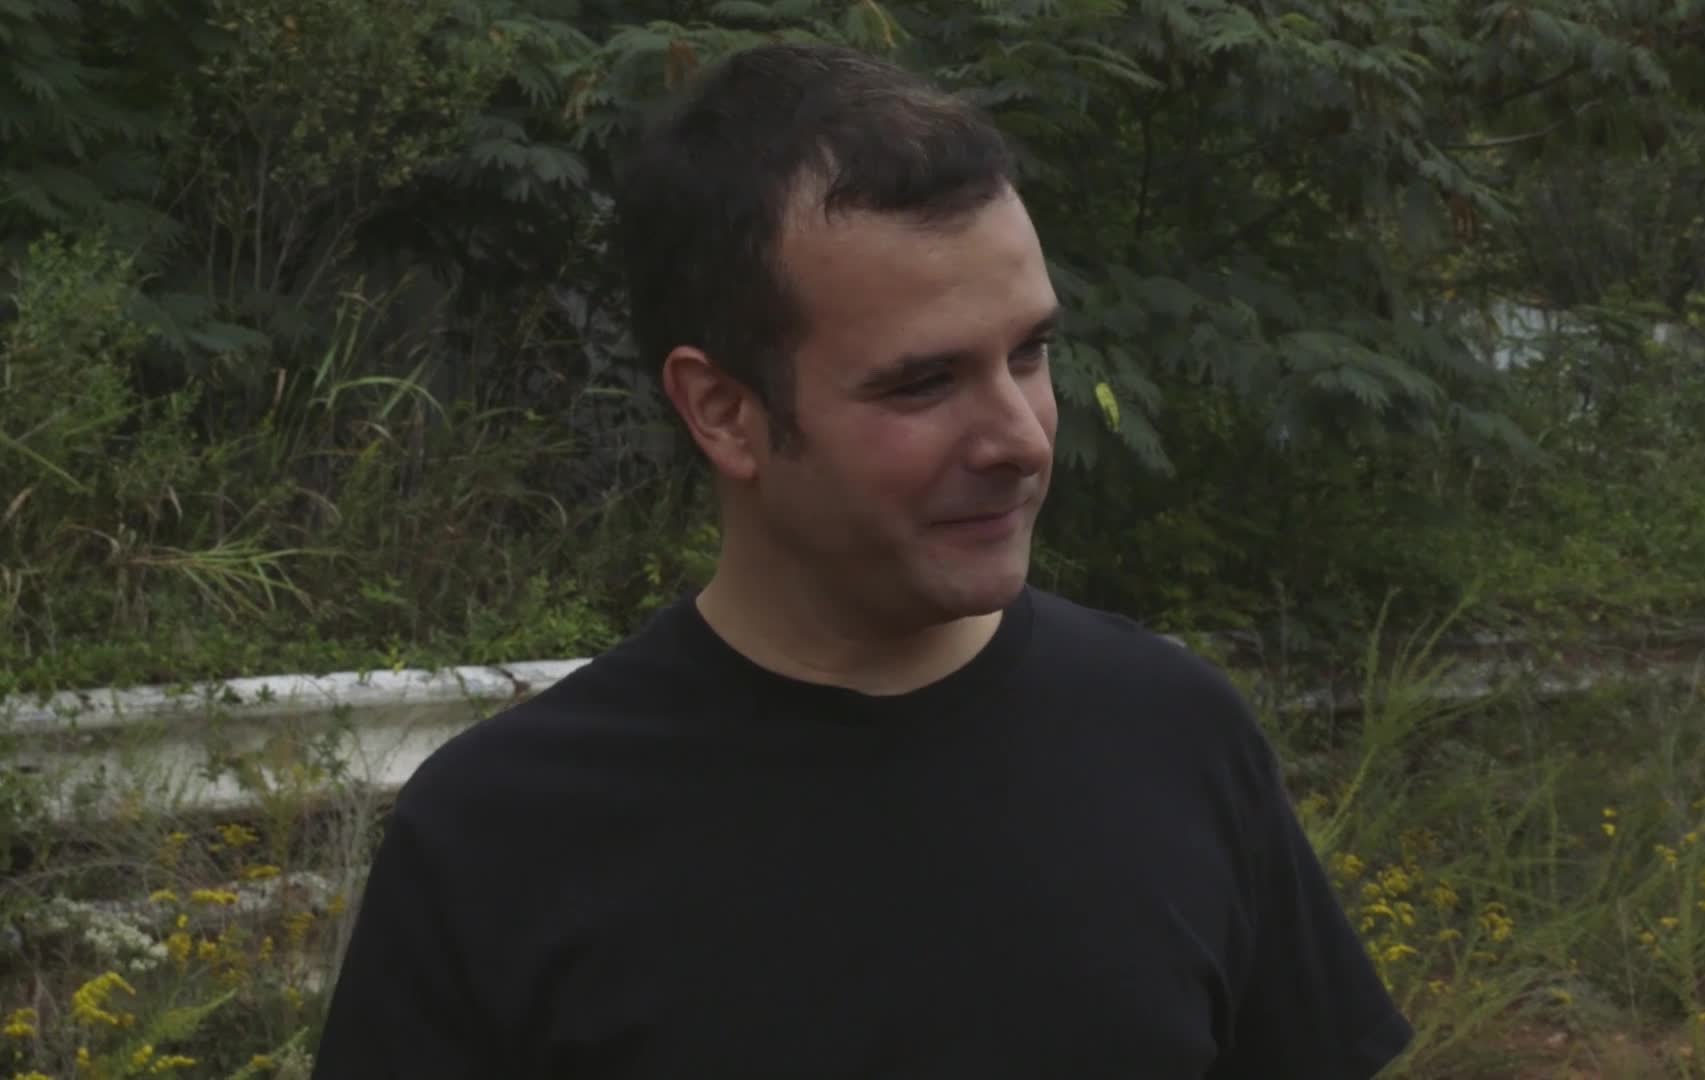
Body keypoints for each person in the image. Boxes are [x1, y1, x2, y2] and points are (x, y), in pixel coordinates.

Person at [311, 41, 1413, 1079]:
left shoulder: (1176, 734)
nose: (1021, 439)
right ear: (724, 412)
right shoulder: (500, 838)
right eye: (922, 384)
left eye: (1029, 353)